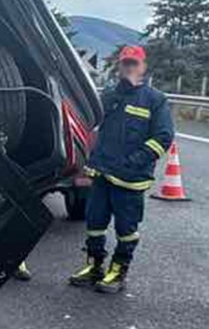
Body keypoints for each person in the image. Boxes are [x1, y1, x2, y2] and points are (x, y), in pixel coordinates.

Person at [68, 45, 173, 293]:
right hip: (102, 173)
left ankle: (118, 271)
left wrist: (135, 160)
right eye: (125, 63)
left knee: (126, 230)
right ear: (120, 66)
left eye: (134, 63)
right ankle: (94, 266)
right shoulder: (110, 95)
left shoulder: (155, 100)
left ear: (143, 67)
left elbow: (163, 137)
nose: (129, 68)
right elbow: (90, 119)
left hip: (130, 179)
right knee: (94, 223)